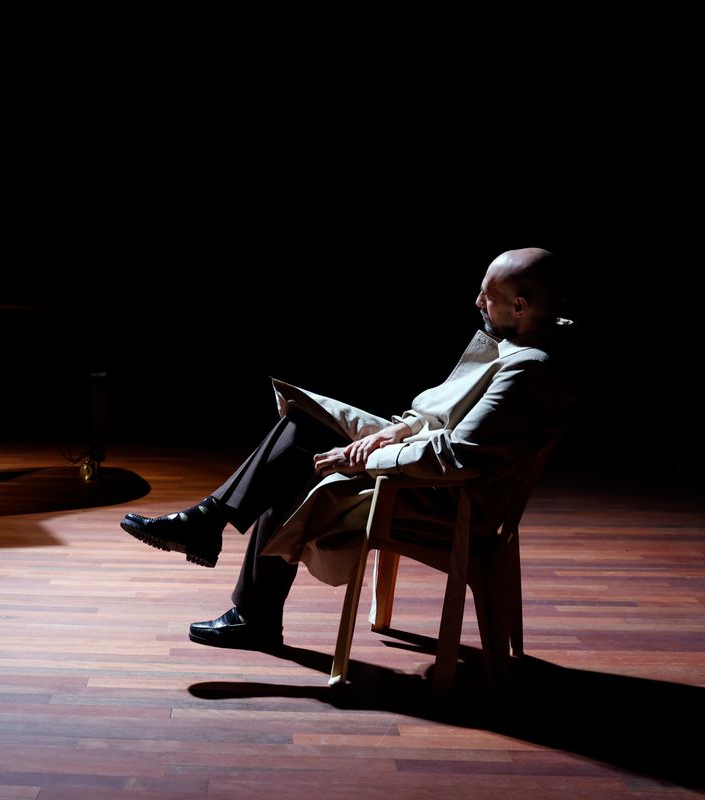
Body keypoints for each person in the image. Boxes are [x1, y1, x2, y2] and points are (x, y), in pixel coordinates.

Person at [120, 247, 577, 649]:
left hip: (439, 498)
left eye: (488, 295)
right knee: (304, 421)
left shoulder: (528, 368)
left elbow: (454, 456)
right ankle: (217, 539)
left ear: (519, 306)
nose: (477, 302)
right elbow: (445, 416)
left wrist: (364, 457)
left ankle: (238, 582)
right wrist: (393, 432)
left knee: (294, 467)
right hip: (418, 458)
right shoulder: (525, 344)